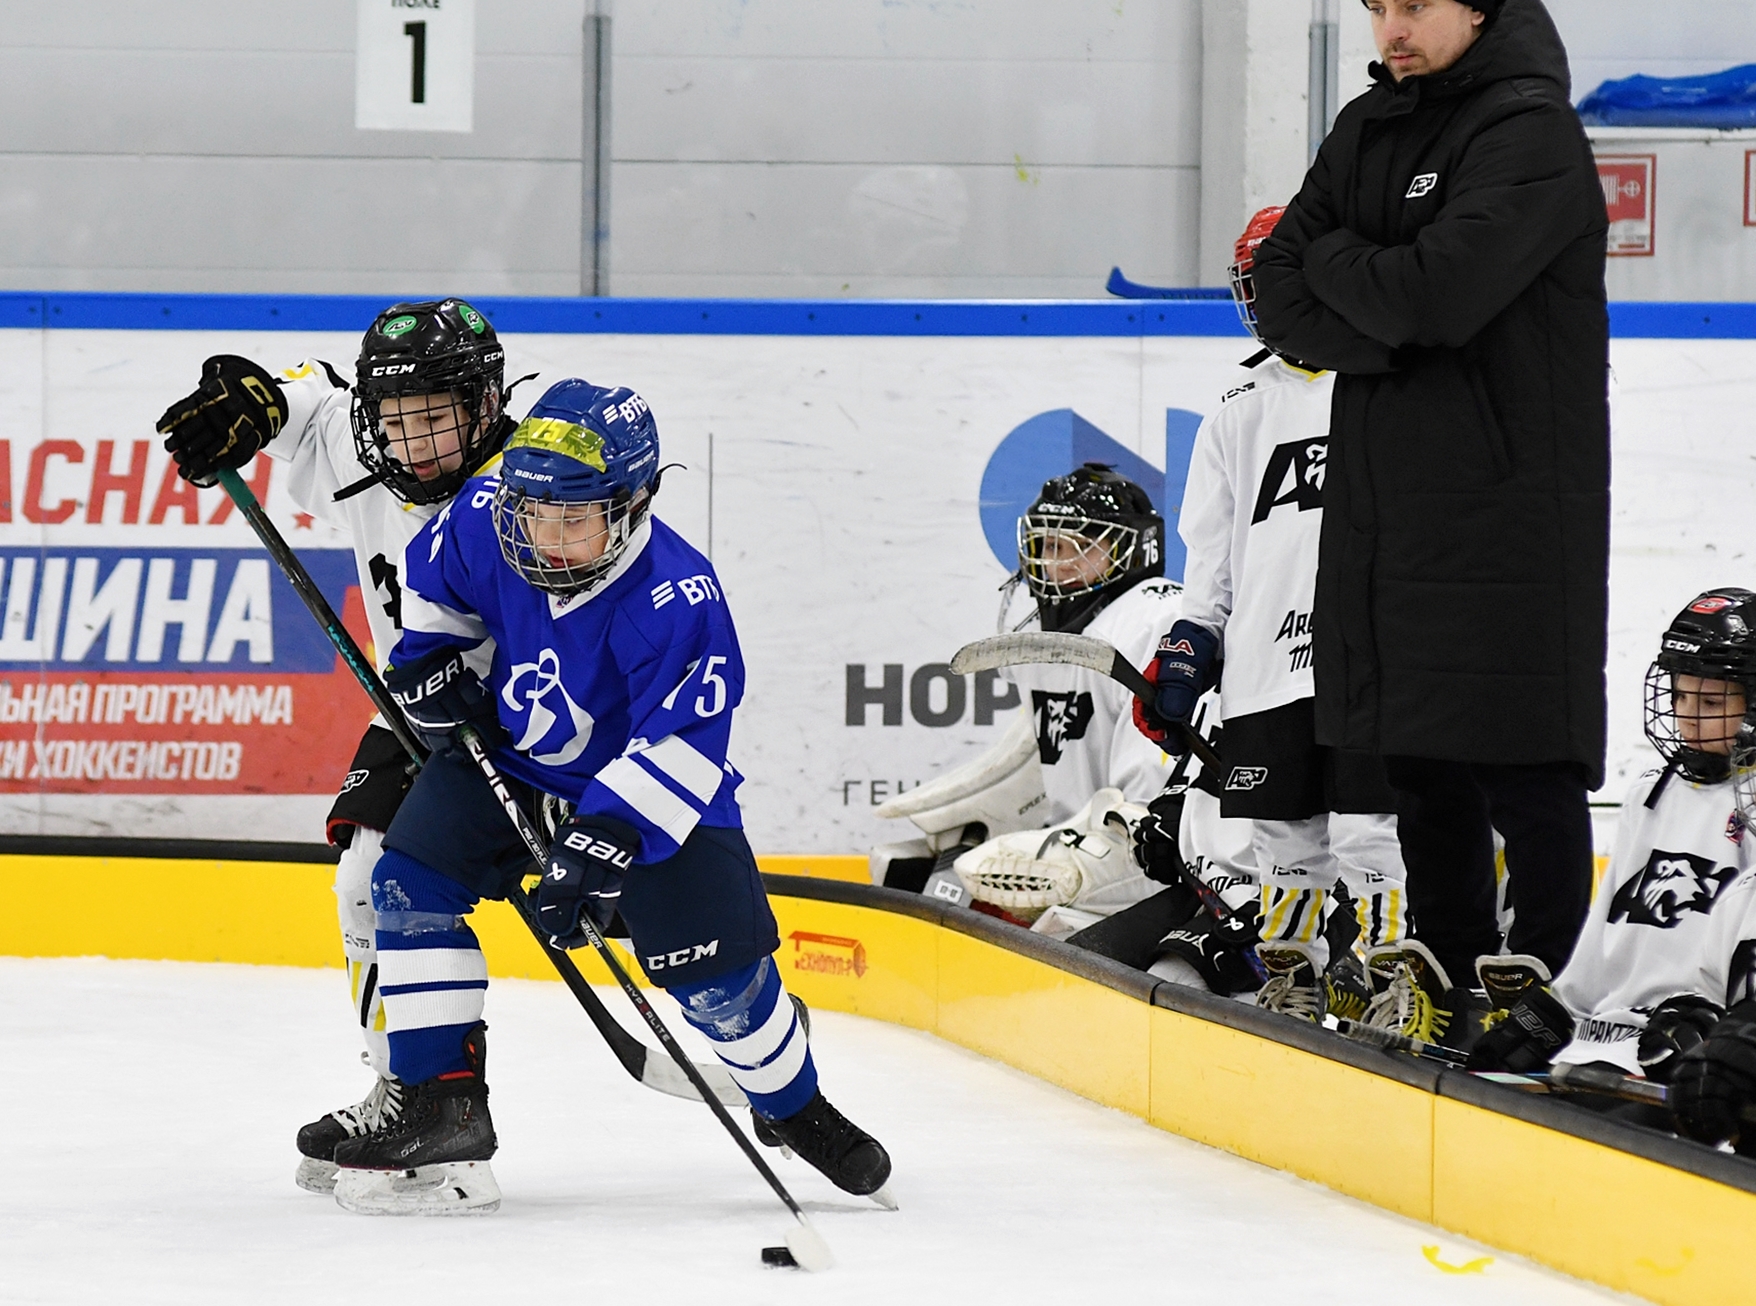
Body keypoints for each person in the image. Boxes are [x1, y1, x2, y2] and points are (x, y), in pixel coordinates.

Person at [328, 378, 890, 1214]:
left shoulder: (677, 596)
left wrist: (600, 842)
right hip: (517, 758)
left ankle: (793, 1105)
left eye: (573, 520)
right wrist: (432, 666)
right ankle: (443, 1105)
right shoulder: (484, 514)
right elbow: (437, 592)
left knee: (718, 984)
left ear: (633, 504)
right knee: (406, 883)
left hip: (651, 793)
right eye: (532, 514)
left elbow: (685, 743)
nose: (545, 538)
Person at [1247, 0, 1611, 1005]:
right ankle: (1446, 967)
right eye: (1377, 7)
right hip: (1385, 500)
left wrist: (1344, 269)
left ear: (1478, 6)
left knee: (1521, 746)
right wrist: (1387, 308)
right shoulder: (1367, 125)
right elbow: (1278, 293)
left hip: (1511, 504)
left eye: (1415, 5)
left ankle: (1543, 980)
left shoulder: (1532, 129)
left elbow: (1435, 296)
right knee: (1417, 755)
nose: (1391, 29)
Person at [156, 299, 521, 1194]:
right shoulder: (367, 442)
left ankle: (768, 1063)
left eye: (436, 417)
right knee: (362, 879)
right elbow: (307, 400)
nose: (414, 442)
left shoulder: (529, 479)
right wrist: (253, 401)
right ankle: (409, 1094)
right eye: (396, 418)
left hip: (530, 719)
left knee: (616, 906)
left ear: (484, 405)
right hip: (413, 709)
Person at [1136, 206, 1410, 1025]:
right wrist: (1189, 649)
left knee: (1371, 828)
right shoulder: (1237, 410)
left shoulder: (1390, 384)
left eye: (1276, 280)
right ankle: (1294, 975)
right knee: (1283, 835)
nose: (1262, 300)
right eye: (1253, 285)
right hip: (1265, 669)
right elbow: (1211, 565)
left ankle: (1392, 977)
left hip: (1370, 660)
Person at [1467, 591, 1756, 1146]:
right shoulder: (1651, 792)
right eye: (1680, 696)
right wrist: (1555, 1008)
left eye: (1711, 702)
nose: (1688, 718)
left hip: (1694, 1057)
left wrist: (1718, 1029)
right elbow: (1608, 931)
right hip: (1603, 1041)